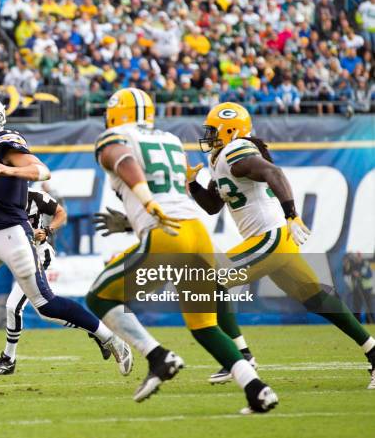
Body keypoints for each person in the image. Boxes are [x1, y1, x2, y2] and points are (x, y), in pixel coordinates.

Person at [0, 96, 130, 395]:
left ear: (1, 121)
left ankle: (109, 337)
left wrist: (9, 170)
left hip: (11, 233)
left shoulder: (5, 143)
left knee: (46, 305)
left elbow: (41, 170)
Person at [86, 88, 277, 413]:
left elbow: (122, 159)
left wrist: (144, 201)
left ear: (117, 113)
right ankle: (257, 390)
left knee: (98, 297)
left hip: (165, 234)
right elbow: (171, 194)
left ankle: (158, 356)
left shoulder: (114, 136)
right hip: (195, 233)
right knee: (204, 326)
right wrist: (136, 217)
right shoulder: (170, 139)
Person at [186, 102, 375, 390]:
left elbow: (273, 173)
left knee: (210, 280)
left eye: (213, 131)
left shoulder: (236, 150)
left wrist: (292, 214)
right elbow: (213, 206)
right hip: (274, 241)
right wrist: (193, 185)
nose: (209, 136)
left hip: (270, 237)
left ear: (230, 130)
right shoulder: (221, 158)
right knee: (318, 299)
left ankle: (240, 357)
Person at [0, 187, 110, 375]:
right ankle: (96, 330)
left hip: (38, 255)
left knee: (13, 307)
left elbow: (61, 213)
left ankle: (8, 359)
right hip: (19, 258)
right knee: (45, 313)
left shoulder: (35, 196)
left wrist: (47, 230)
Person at [343, 253, 374, 324]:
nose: (357, 258)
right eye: (356, 257)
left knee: (369, 307)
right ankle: (357, 322)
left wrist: (359, 274)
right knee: (356, 307)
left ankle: (370, 322)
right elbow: (347, 273)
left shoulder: (365, 264)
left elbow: (369, 275)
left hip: (366, 289)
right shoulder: (353, 265)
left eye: (358, 256)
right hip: (356, 289)